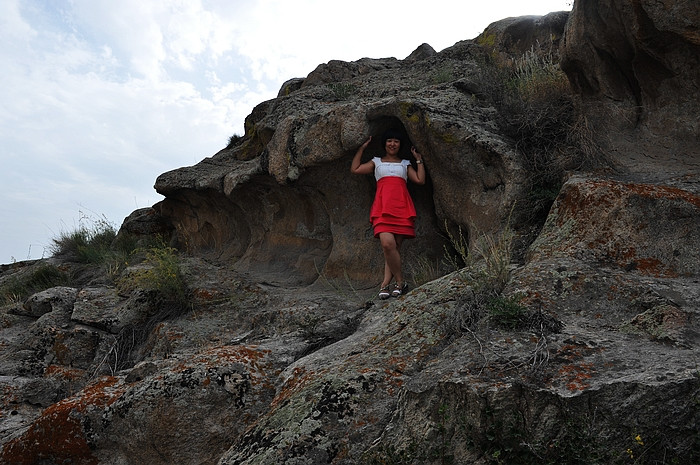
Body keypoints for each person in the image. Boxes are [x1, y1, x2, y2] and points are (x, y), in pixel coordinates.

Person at [350, 129, 426, 299]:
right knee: (387, 244)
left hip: (401, 208)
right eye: (389, 141)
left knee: (393, 249)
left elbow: (420, 180)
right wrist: (361, 148)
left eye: (396, 141)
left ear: (400, 145)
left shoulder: (405, 163)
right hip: (383, 208)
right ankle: (400, 282)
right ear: (384, 144)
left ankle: (385, 285)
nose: (392, 144)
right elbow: (355, 169)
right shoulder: (376, 162)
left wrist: (418, 160)